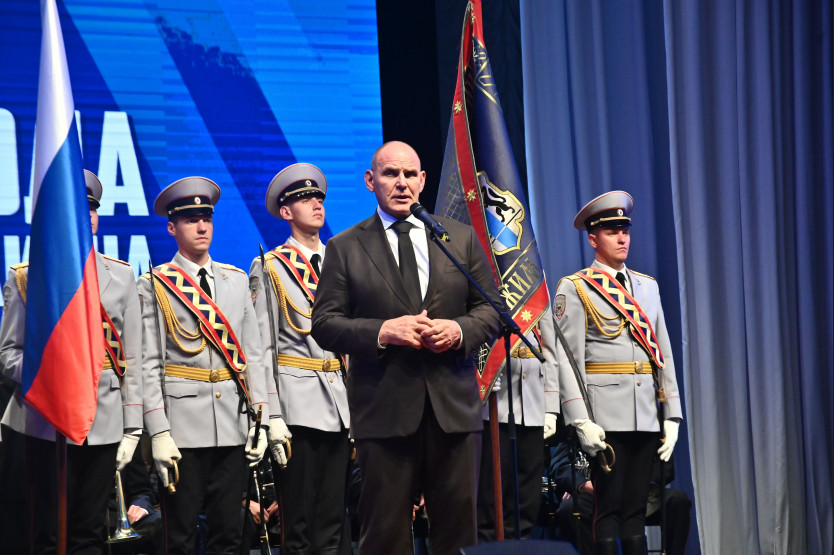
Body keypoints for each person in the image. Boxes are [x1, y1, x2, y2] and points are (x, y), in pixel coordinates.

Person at [310, 141, 503, 555]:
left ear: (423, 180)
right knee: (385, 536)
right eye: (390, 174)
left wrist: (458, 329)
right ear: (370, 181)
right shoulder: (345, 246)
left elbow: (493, 310)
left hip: (453, 412)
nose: (401, 183)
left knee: (459, 536)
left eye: (410, 174)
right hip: (384, 413)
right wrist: (384, 331)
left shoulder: (458, 238)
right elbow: (324, 324)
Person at [0, 170, 143, 554]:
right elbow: (8, 353)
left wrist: (133, 427)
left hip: (104, 418)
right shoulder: (26, 277)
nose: (87, 216)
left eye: (92, 209)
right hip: (43, 420)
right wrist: (47, 376)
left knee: (90, 532)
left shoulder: (122, 276)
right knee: (46, 533)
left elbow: (133, 358)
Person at [138, 176, 270, 554]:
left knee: (229, 535)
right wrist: (158, 432)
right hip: (181, 429)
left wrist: (261, 418)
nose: (201, 227)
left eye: (206, 219)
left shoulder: (236, 280)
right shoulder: (155, 284)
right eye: (191, 220)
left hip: (232, 424)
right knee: (178, 537)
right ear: (172, 228)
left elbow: (253, 356)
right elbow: (149, 364)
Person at [554, 190, 683, 555]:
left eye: (624, 230)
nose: (622, 238)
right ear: (593, 239)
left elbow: (663, 353)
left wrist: (672, 414)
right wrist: (580, 420)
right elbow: (567, 360)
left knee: (636, 511)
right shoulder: (576, 288)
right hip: (604, 413)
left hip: (645, 413)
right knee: (608, 509)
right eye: (612, 232)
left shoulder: (647, 287)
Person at [248, 163, 351, 554]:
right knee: (300, 525)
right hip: (296, 407)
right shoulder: (270, 267)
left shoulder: (341, 261)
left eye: (318, 197)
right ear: (286, 211)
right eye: (305, 199)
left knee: (334, 520)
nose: (316, 203)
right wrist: (271, 415)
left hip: (340, 403)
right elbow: (262, 350)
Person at [476, 307, 560, 541]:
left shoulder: (535, 288)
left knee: (527, 500)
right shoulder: (485, 284)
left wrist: (551, 408)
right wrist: (480, 375)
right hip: (493, 406)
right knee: (489, 501)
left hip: (534, 404)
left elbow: (550, 352)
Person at [547, 431, 691, 555]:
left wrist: (638, 486)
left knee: (678, 500)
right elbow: (560, 465)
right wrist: (583, 485)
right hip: (597, 493)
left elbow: (666, 466)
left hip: (642, 493)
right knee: (569, 509)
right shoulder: (581, 423)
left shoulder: (646, 421)